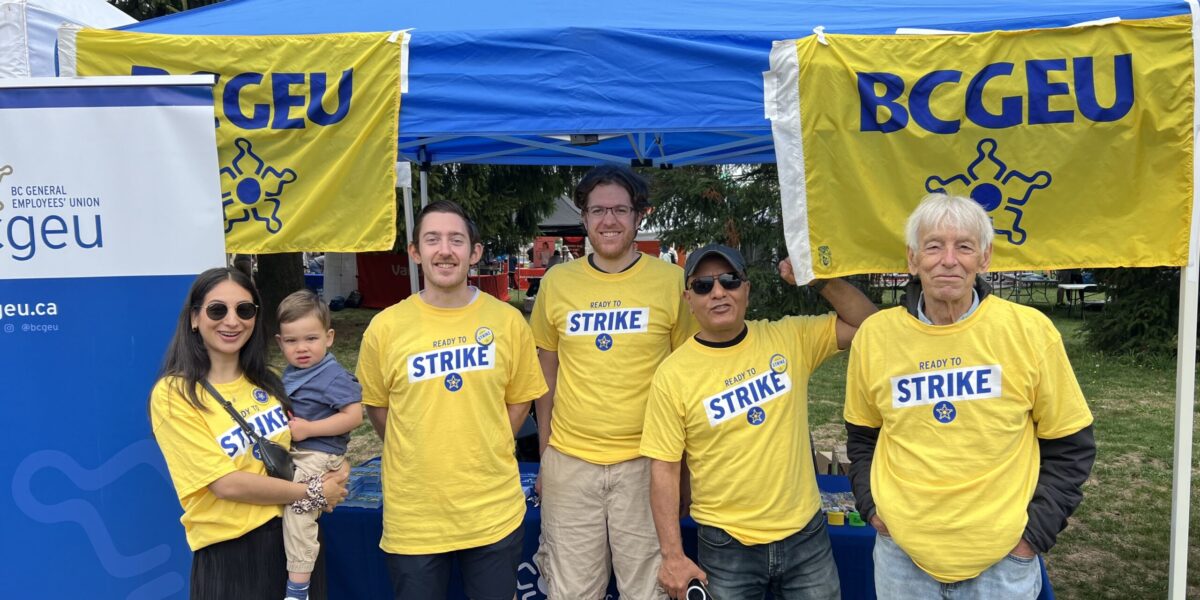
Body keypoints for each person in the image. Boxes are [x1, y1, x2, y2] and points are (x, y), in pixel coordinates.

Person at [844, 194, 1096, 599]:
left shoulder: (1030, 331)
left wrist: (1033, 535)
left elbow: (1071, 445)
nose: (948, 259)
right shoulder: (876, 336)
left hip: (1002, 565)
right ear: (912, 260)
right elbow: (862, 438)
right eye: (933, 246)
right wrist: (873, 510)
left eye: (964, 246)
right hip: (901, 560)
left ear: (985, 258)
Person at [641, 244, 876, 599]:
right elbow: (664, 468)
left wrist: (818, 280)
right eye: (704, 285)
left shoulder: (789, 337)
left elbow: (871, 326)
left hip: (804, 536)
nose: (718, 292)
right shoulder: (673, 374)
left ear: (746, 290)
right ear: (688, 298)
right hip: (726, 544)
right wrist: (672, 555)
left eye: (730, 281)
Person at [357, 200, 548, 600]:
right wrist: (416, 445)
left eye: (456, 240)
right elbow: (377, 407)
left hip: (491, 512)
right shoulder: (385, 328)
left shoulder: (508, 322)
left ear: (474, 252)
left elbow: (519, 402)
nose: (445, 250)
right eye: (433, 239)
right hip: (415, 518)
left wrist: (488, 439)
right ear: (415, 252)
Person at [531, 164, 697, 599]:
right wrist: (547, 454)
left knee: (648, 590)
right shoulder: (556, 282)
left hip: (646, 466)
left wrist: (681, 471)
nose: (609, 220)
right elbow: (545, 375)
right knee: (571, 590)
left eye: (620, 210)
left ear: (638, 216)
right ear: (583, 218)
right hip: (570, 464)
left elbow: (689, 382)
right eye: (598, 210)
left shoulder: (671, 281)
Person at [149, 267, 349, 600]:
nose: (232, 320)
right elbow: (226, 483)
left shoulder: (270, 383)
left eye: (244, 310)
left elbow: (311, 446)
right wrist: (313, 491)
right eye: (217, 309)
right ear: (195, 318)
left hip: (296, 542)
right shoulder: (175, 394)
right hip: (233, 556)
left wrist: (337, 472)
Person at [275, 290, 364, 600]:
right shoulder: (294, 373)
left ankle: (298, 586)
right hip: (300, 450)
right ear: (279, 343)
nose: (301, 348)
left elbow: (354, 416)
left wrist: (309, 428)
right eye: (292, 341)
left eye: (310, 339)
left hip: (319, 454)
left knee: (298, 507)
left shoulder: (333, 376)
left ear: (329, 337)